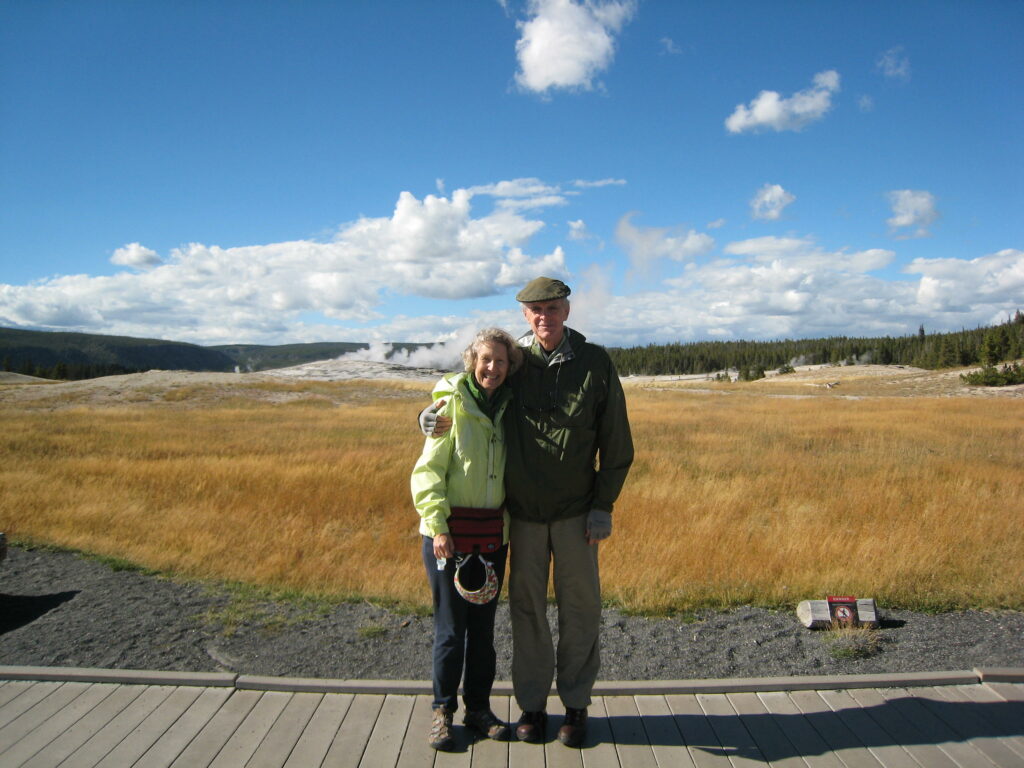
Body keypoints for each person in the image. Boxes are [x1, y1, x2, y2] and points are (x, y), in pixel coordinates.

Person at [421, 277, 634, 748]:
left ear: (566, 311)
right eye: (536, 310)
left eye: (552, 308)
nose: (544, 317)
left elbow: (616, 442)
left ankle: (576, 707)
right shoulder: (515, 363)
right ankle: (533, 709)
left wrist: (604, 505)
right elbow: (467, 384)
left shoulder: (595, 363)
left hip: (578, 516)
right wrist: (427, 416)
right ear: (525, 316)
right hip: (524, 518)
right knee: (527, 613)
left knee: (581, 610)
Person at [410, 327, 523, 751]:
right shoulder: (449, 406)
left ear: (510, 367)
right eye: (486, 359)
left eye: (501, 361)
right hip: (448, 540)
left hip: (493, 536)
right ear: (472, 361)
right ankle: (442, 712)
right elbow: (427, 471)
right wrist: (437, 526)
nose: (492, 368)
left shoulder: (510, 407)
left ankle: (478, 709)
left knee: (483, 632)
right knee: (451, 630)